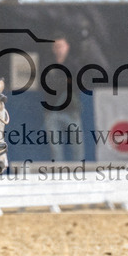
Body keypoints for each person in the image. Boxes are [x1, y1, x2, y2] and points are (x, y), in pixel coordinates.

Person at [42, 33, 84, 162]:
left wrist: (63, 83)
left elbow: (78, 85)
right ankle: (58, 177)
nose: (58, 49)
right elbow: (46, 85)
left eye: (61, 46)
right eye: (56, 46)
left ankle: (79, 176)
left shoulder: (74, 65)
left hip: (71, 112)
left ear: (67, 47)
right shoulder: (48, 65)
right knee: (55, 149)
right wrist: (64, 82)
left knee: (77, 147)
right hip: (52, 112)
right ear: (53, 49)